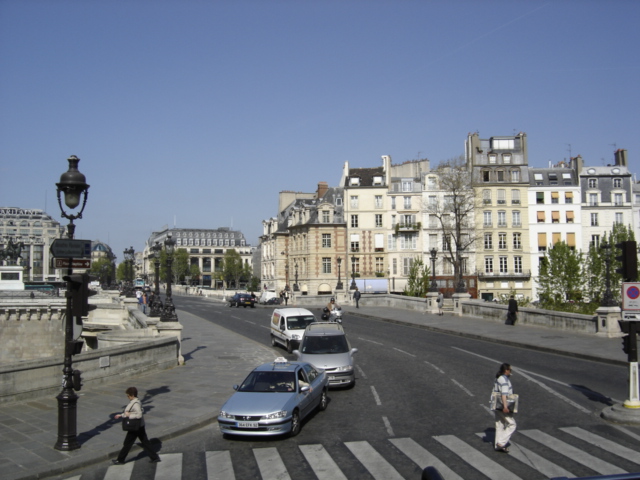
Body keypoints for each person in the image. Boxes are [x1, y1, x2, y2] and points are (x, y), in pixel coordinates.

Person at [112, 387, 160, 465]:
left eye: (128, 395)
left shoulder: (136, 404)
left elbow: (139, 415)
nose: (127, 397)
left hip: (135, 427)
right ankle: (155, 457)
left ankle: (120, 460)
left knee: (127, 443)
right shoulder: (137, 401)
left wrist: (129, 415)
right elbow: (131, 412)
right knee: (145, 442)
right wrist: (121, 415)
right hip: (140, 426)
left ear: (132, 395)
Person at [493, 363, 516, 453]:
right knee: (512, 424)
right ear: (506, 370)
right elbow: (504, 394)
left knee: (500, 425)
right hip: (502, 405)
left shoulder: (498, 378)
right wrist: (505, 406)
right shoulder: (504, 380)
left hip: (496, 404)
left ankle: (498, 446)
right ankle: (501, 443)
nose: (511, 371)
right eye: (510, 370)